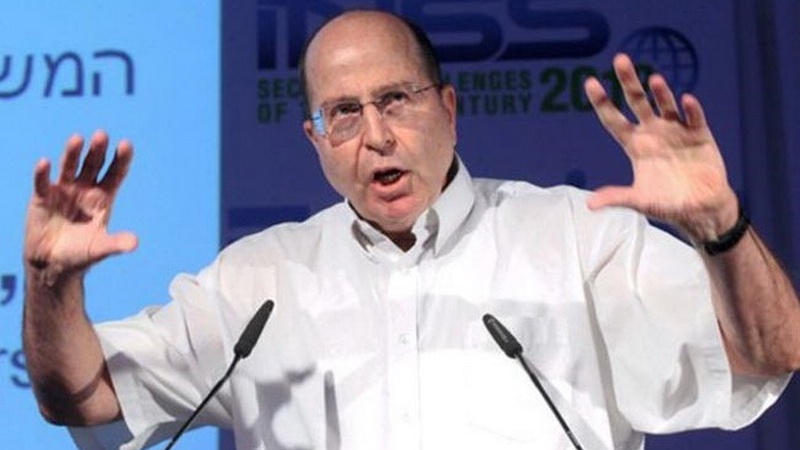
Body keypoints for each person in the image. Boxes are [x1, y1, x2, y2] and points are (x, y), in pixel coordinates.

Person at [22, 9, 800, 450]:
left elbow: (771, 351)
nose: (376, 135)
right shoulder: (257, 282)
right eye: (344, 113)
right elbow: (83, 398)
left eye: (396, 99)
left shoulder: (576, 238)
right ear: (316, 141)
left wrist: (720, 227)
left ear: (448, 110)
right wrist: (51, 286)